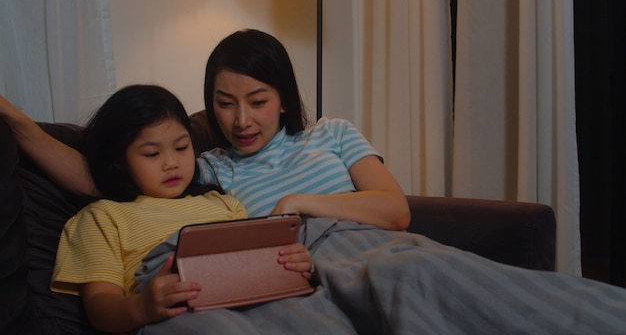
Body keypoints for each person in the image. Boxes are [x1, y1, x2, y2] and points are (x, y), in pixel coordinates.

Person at [4, 30, 626, 334]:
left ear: (283, 98)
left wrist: (301, 202)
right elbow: (102, 173)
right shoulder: (205, 173)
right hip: (271, 260)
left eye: (257, 100)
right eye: (222, 104)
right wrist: (15, 119)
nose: (240, 119)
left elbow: (394, 209)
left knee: (417, 276)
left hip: (339, 236)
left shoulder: (330, 133)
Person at [0, 85, 313, 334]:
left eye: (181, 147)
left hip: (254, 303)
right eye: (151, 154)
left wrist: (288, 263)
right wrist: (142, 307)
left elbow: (255, 266)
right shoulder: (103, 218)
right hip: (180, 315)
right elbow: (99, 308)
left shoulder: (223, 203)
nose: (172, 162)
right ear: (118, 160)